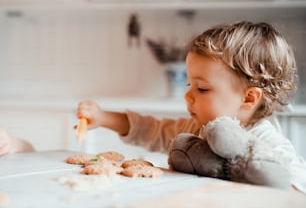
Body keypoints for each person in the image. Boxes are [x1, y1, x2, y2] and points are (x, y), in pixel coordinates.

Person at [76, 21, 306, 193]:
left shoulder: (267, 143)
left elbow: (295, 187)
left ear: (248, 99)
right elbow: (151, 130)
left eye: (202, 89)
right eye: (189, 84)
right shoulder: (196, 129)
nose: (188, 95)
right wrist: (103, 117)